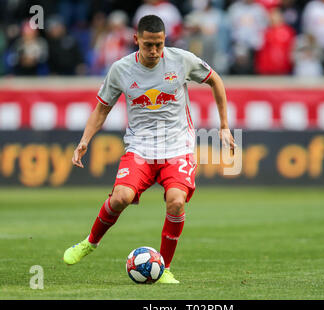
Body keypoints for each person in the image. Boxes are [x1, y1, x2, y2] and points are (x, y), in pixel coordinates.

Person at [63, 15, 235, 284]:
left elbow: (216, 81)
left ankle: (164, 268)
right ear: (136, 41)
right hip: (140, 147)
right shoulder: (120, 69)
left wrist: (224, 125)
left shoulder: (181, 60)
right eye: (148, 45)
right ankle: (90, 242)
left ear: (165, 40)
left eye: (159, 44)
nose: (154, 51)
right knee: (120, 197)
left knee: (176, 201)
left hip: (178, 146)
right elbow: (101, 108)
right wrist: (85, 140)